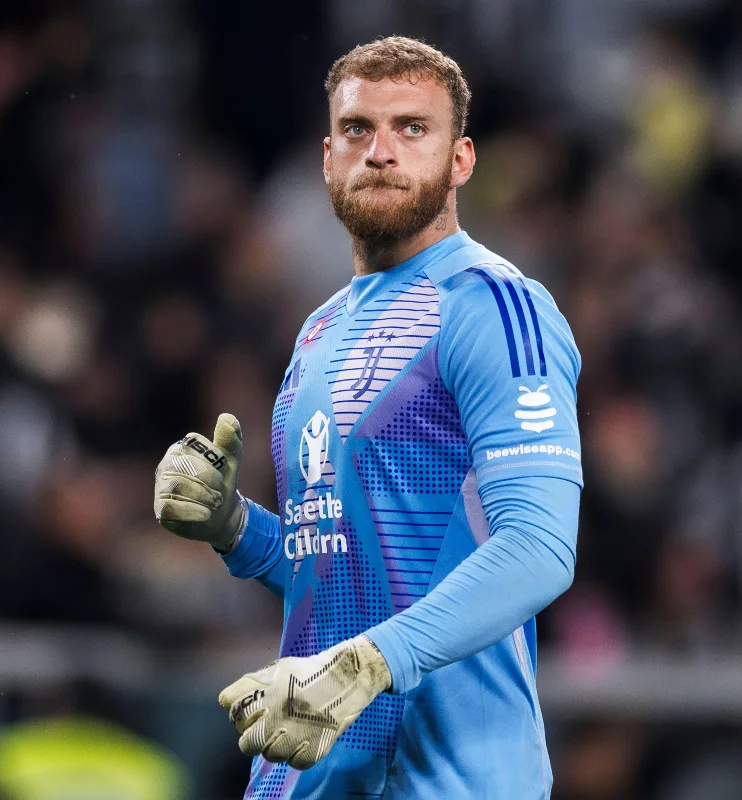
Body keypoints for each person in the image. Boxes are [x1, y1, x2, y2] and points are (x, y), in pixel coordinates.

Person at [151, 36, 583, 799]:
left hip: (446, 781)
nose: (380, 151)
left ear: (461, 159)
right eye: (357, 129)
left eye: (412, 128)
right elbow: (342, 570)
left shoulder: (493, 306)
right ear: (327, 158)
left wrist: (372, 663)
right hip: (308, 776)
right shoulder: (317, 332)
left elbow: (539, 547)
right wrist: (236, 528)